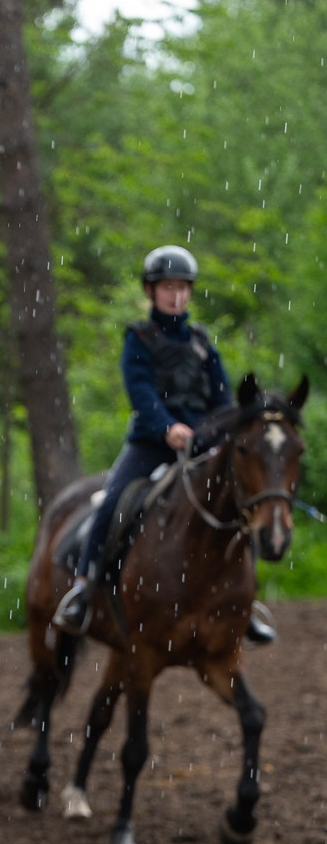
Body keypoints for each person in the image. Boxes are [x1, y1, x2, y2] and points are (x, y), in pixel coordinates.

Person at [52, 244, 276, 643]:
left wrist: (211, 431)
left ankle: (246, 601)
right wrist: (167, 428)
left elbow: (222, 400)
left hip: (203, 443)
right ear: (152, 291)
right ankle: (84, 589)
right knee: (112, 501)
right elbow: (141, 394)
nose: (176, 295)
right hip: (152, 443)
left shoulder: (202, 343)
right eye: (168, 287)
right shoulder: (138, 339)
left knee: (240, 504)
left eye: (182, 288)